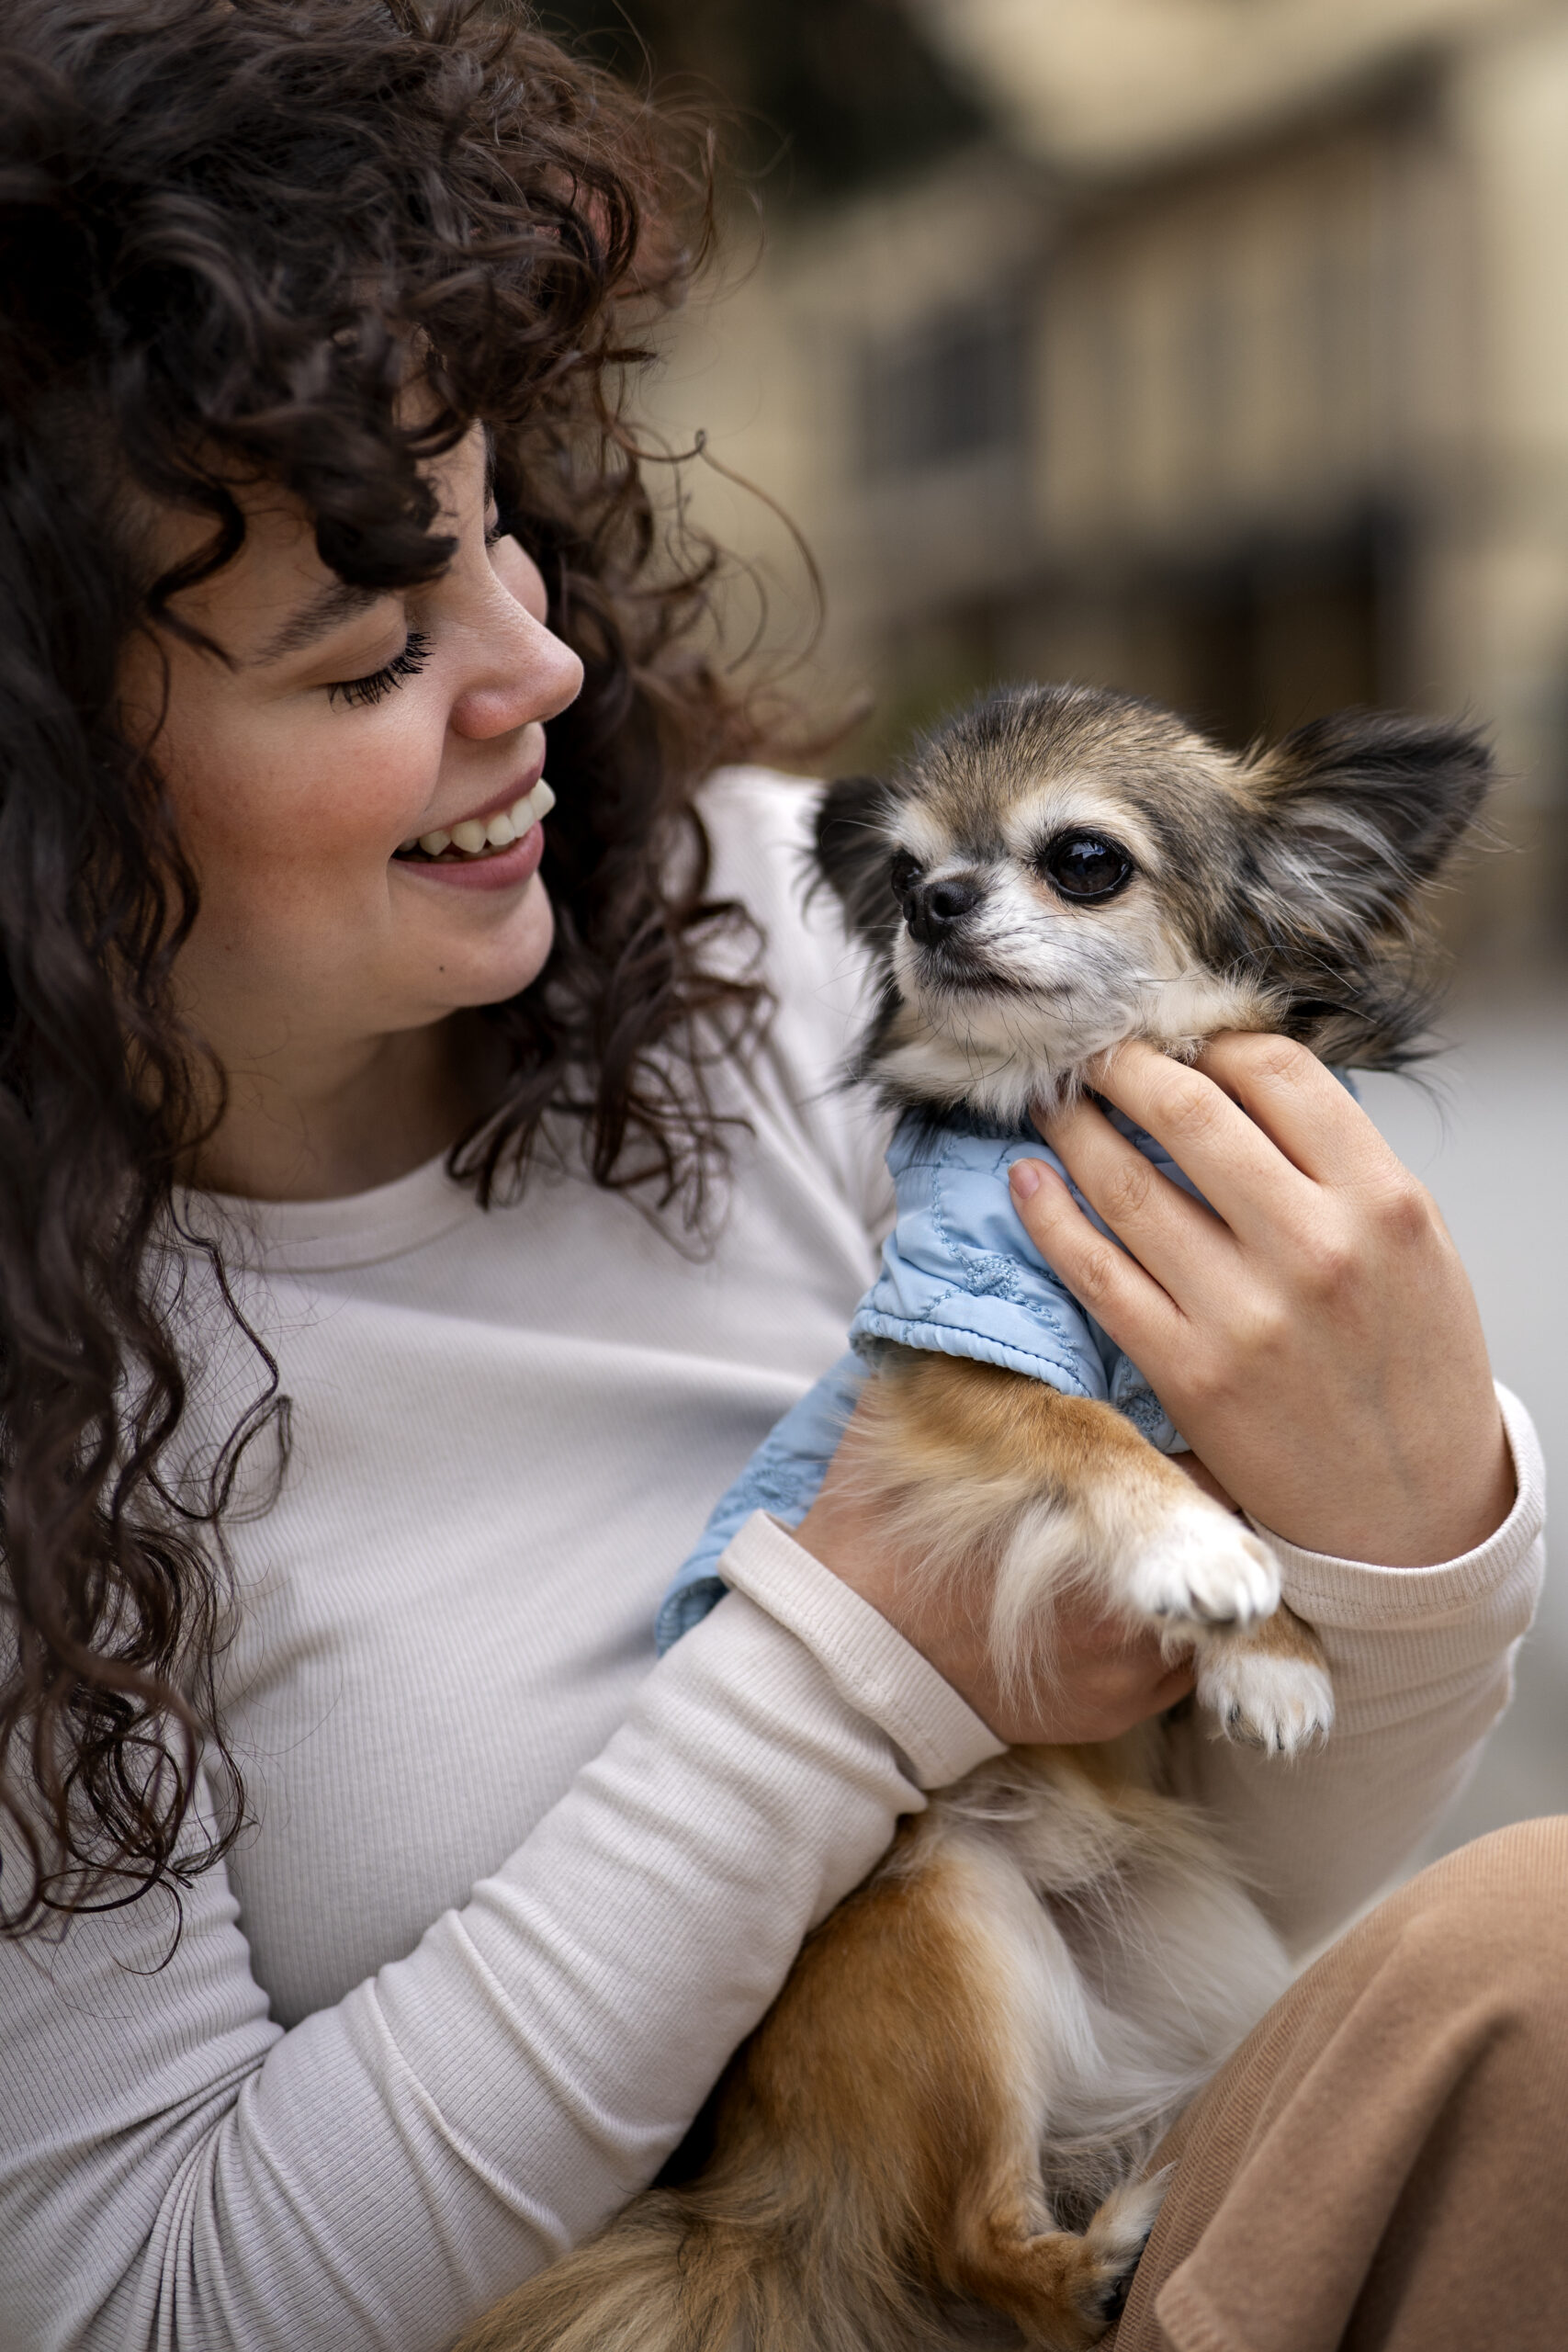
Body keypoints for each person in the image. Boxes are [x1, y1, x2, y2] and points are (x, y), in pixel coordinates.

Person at [0, 5, 1551, 2349]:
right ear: (48, 815)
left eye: (501, 522)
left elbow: (1209, 1873)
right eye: (364, 652)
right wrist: (849, 1659)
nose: (527, 660)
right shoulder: (54, 1413)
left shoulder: (782, 936)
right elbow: (141, 2301)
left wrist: (1411, 1528)